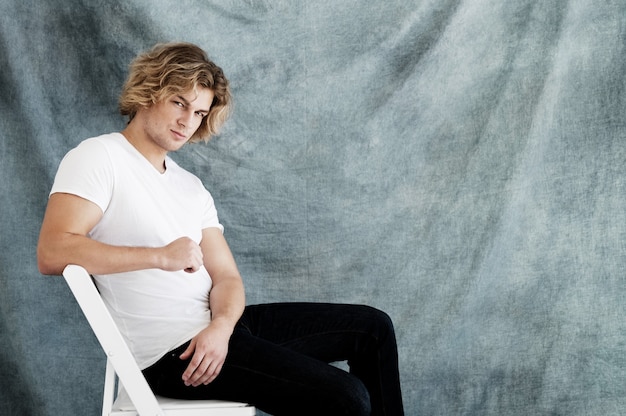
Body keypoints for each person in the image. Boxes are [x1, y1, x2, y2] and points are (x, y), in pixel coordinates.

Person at [37, 42, 404, 416]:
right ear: (149, 92)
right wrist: (159, 256)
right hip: (175, 353)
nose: (187, 121)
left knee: (373, 329)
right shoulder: (100, 157)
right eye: (179, 102)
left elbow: (227, 277)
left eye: (198, 112)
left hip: (222, 329)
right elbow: (52, 251)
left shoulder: (190, 186)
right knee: (348, 398)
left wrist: (223, 327)